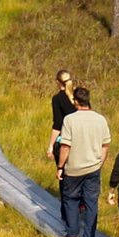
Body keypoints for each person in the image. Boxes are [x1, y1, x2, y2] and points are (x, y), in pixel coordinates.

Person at [55, 86, 111, 237]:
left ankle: (72, 235)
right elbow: (105, 145)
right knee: (91, 202)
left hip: (74, 169)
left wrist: (60, 166)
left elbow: (65, 147)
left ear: (75, 101)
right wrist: (99, 162)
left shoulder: (70, 120)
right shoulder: (100, 119)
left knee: (71, 200)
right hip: (93, 168)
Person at [47, 69, 76, 227]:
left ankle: (67, 216)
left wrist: (51, 145)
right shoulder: (78, 96)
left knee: (63, 177)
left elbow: (57, 124)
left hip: (65, 142)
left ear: (58, 83)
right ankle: (80, 208)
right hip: (81, 143)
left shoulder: (57, 99)